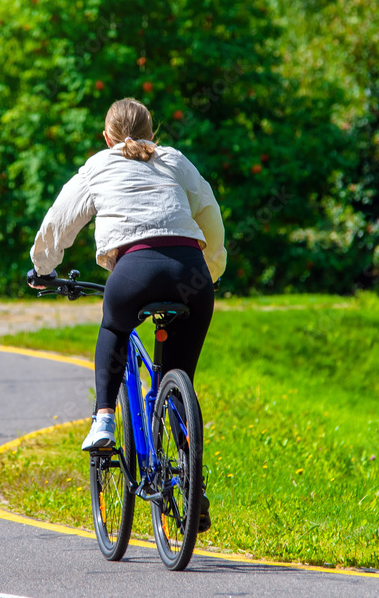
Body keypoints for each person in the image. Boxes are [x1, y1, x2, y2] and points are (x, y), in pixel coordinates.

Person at [27, 97, 226, 532]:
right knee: (179, 375)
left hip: (133, 271)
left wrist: (43, 269)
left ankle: (102, 419)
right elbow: (210, 214)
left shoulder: (99, 164)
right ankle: (192, 481)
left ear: (107, 137)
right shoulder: (175, 160)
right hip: (189, 271)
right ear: (153, 132)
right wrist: (211, 271)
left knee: (115, 326)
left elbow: (59, 222)